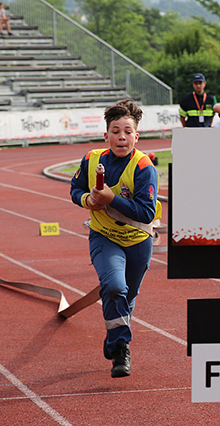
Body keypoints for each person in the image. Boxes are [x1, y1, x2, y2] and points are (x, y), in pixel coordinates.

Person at [70, 99, 160, 378]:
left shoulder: (145, 167)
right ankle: (121, 348)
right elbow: (75, 189)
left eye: (127, 131)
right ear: (106, 134)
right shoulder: (91, 159)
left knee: (127, 296)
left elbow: (146, 213)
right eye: (116, 130)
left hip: (138, 240)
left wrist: (111, 199)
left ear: (137, 135)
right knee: (113, 288)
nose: (122, 137)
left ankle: (112, 337)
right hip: (104, 236)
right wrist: (87, 199)